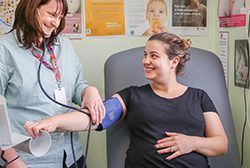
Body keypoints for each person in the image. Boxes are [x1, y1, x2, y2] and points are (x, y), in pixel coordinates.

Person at [24, 32, 228, 167]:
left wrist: (191, 143)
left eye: (153, 56)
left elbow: (221, 144)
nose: (145, 61)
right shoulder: (132, 95)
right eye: (145, 54)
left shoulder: (199, 97)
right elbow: (94, 118)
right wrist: (53, 123)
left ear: (173, 61)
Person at [0, 0, 105, 168]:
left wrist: (89, 91)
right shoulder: (5, 49)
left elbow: (78, 85)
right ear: (32, 9)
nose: (56, 23)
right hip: (27, 159)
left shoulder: (64, 45)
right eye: (51, 14)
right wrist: (11, 159)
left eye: (60, 17)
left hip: (70, 155)